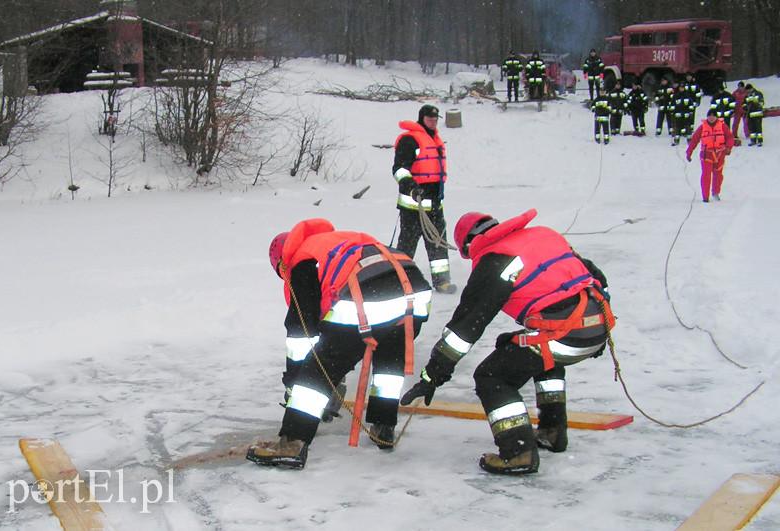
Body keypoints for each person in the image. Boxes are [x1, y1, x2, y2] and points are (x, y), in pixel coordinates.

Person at [401, 209, 613, 475]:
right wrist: (593, 328)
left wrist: (433, 376)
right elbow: (597, 277)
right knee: (530, 350)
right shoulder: (543, 236)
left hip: (566, 333)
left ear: (468, 245)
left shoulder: (497, 260)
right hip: (596, 325)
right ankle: (552, 429)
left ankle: (518, 452)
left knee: (492, 376)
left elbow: (465, 328)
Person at [247, 219, 433, 468]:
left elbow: (302, 330)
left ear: (282, 263)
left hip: (370, 297)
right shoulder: (336, 243)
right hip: (414, 295)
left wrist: (296, 381)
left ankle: (292, 442)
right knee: (389, 360)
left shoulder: (303, 261)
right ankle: (384, 427)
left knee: (315, 374)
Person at [392, 104, 456, 294]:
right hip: (414, 205)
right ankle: (399, 281)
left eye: (435, 120)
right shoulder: (410, 140)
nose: (433, 122)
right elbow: (399, 169)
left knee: (438, 243)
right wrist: (409, 185)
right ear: (422, 119)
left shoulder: (434, 140)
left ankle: (442, 281)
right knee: (407, 245)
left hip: (435, 204)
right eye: (429, 119)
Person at [686, 108, 735, 203]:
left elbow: (729, 137)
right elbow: (694, 140)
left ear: (716, 117)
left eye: (713, 116)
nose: (711, 117)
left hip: (720, 154)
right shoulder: (702, 127)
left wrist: (728, 147)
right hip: (706, 154)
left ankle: (716, 192)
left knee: (718, 175)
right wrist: (689, 152)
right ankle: (705, 196)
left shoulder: (723, 126)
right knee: (706, 175)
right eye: (709, 116)